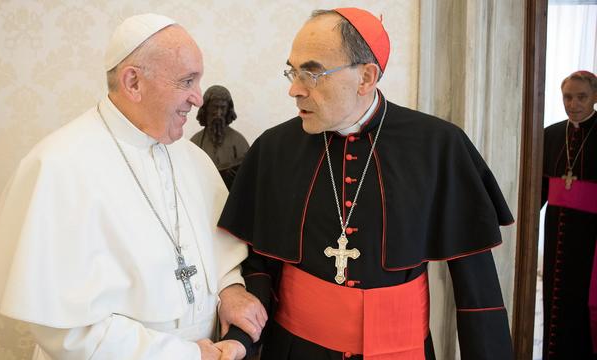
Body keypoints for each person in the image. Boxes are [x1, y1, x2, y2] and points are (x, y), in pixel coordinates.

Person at [218, 8, 514, 359]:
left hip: (401, 350)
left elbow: (477, 291)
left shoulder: (439, 146)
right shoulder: (274, 148)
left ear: (366, 77)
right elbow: (260, 264)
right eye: (292, 72)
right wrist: (241, 339)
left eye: (312, 73)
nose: (294, 89)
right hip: (295, 349)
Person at [0, 13, 266, 360]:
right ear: (133, 82)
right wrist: (185, 355)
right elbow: (67, 332)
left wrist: (230, 289)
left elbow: (222, 255)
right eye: (187, 81)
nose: (198, 98)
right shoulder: (58, 167)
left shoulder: (194, 159)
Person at [541, 70, 597, 359]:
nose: (573, 104)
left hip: (591, 235)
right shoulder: (550, 134)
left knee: (584, 300)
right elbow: (536, 188)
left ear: (595, 97)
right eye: (567, 97)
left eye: (581, 97)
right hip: (556, 228)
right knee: (555, 294)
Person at [190, 85, 250, 189]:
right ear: (206, 109)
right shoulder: (195, 142)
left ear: (228, 110)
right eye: (214, 107)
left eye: (222, 108)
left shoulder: (239, 142)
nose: (218, 114)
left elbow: (249, 176)